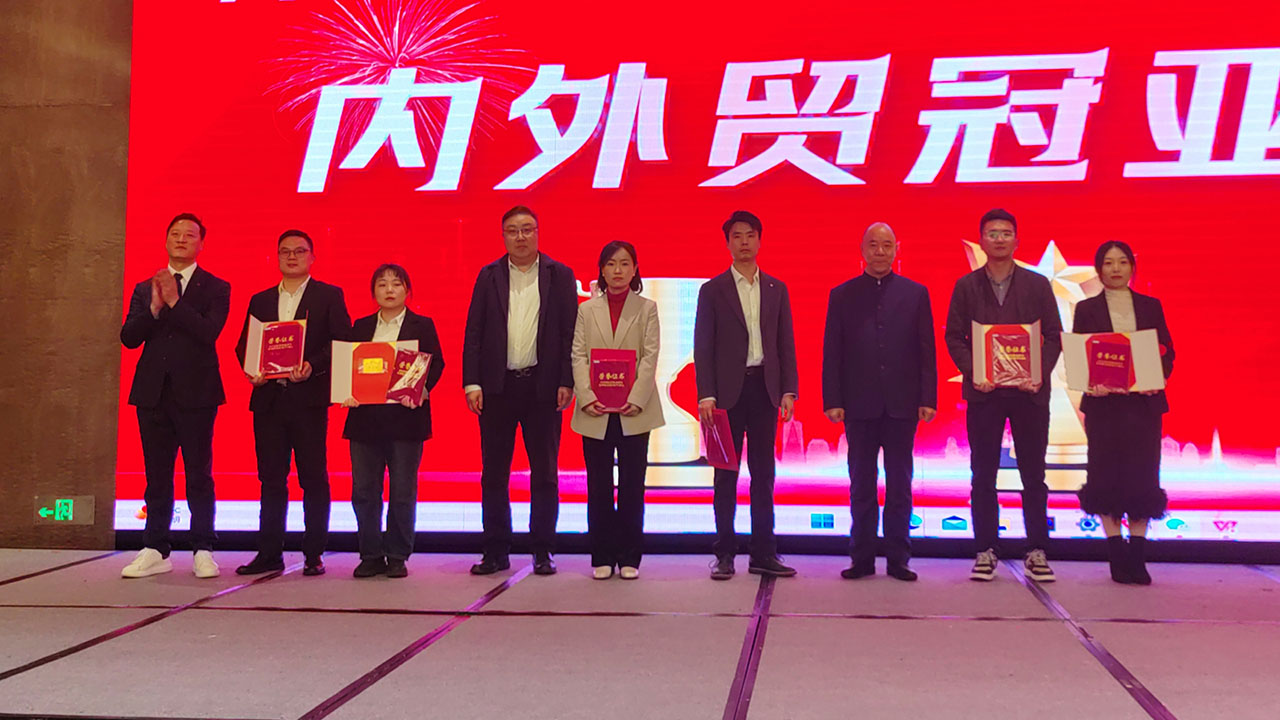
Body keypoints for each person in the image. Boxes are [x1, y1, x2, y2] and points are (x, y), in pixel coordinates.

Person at [945, 208, 1062, 583]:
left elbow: (1053, 336)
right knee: (983, 474)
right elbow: (953, 337)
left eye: (1006, 233)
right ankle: (985, 549)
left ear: (1017, 240)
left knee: (1034, 474)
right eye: (992, 233)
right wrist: (974, 371)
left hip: (1029, 394)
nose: (999, 239)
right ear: (982, 241)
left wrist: (1037, 373)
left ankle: (1037, 549)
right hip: (985, 395)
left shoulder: (1037, 285)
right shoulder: (966, 286)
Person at [462, 206, 577, 576]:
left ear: (538, 232)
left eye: (527, 229)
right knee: (494, 473)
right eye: (513, 230)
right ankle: (495, 551)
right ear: (503, 236)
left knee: (545, 473)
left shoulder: (560, 274)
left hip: (543, 387)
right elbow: (474, 331)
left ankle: (543, 550)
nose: (521, 236)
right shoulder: (489, 275)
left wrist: (567, 380)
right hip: (497, 387)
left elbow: (569, 332)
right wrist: (472, 382)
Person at [233, 230, 351, 577]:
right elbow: (245, 345)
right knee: (270, 479)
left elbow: (342, 340)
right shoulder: (261, 299)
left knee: (313, 478)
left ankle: (314, 554)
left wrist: (313, 365)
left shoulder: (328, 295)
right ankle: (269, 553)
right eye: (285, 251)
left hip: (308, 400)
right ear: (277, 257)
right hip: (269, 400)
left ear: (312, 257)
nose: (292, 257)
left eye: (299, 251)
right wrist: (252, 370)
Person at [823, 223, 937, 582]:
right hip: (858, 404)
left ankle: (899, 558)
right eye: (873, 245)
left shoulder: (915, 293)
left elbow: (926, 350)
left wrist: (928, 397)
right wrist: (832, 399)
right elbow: (833, 352)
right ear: (862, 249)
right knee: (861, 483)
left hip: (903, 404)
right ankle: (862, 557)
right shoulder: (842, 295)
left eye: (887, 245)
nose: (880, 251)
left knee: (900, 484)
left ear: (897, 249)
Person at [119, 213, 230, 579]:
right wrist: (154, 308)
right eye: (175, 234)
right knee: (157, 475)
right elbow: (129, 337)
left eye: (190, 235)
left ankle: (203, 548)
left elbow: (208, 332)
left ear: (201, 243)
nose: (181, 239)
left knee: (199, 474)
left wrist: (174, 302)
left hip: (197, 393)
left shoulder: (216, 287)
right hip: (152, 393)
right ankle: (155, 547)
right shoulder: (144, 288)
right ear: (166, 240)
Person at [694, 210, 799, 581]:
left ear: (759, 240)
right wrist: (706, 394)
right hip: (724, 396)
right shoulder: (712, 290)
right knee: (725, 475)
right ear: (727, 243)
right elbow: (703, 346)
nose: (743, 242)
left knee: (764, 475)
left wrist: (788, 390)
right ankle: (724, 553)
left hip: (764, 390)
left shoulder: (776, 289)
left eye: (750, 235)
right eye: (737, 236)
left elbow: (785, 343)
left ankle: (763, 553)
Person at [1073, 241, 1174, 584]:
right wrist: (1090, 382)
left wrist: (1156, 378)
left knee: (1143, 476)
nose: (1115, 269)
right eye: (1108, 263)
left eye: (1122, 262)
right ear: (1098, 269)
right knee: (1106, 475)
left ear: (1132, 267)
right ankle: (1116, 553)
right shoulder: (1086, 309)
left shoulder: (1150, 305)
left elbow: (1167, 351)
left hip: (1142, 406)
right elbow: (1080, 353)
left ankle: (1138, 555)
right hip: (1104, 406)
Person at [341, 264, 445, 578]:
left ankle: (398, 554)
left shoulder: (422, 325)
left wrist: (422, 389)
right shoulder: (360, 326)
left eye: (396, 284)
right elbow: (348, 366)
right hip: (365, 420)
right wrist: (347, 390)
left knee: (402, 491)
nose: (389, 290)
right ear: (373, 291)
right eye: (382, 284)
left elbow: (436, 363)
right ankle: (370, 554)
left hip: (405, 419)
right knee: (364, 492)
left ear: (407, 291)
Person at [571, 242, 664, 580]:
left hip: (634, 409)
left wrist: (636, 397)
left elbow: (650, 356)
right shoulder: (587, 310)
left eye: (625, 264)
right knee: (598, 486)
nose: (618, 271)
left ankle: (629, 557)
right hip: (594, 409)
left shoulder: (647, 308)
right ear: (602, 270)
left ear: (635, 269)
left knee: (631, 485)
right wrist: (586, 396)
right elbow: (578, 355)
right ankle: (601, 555)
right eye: (611, 264)